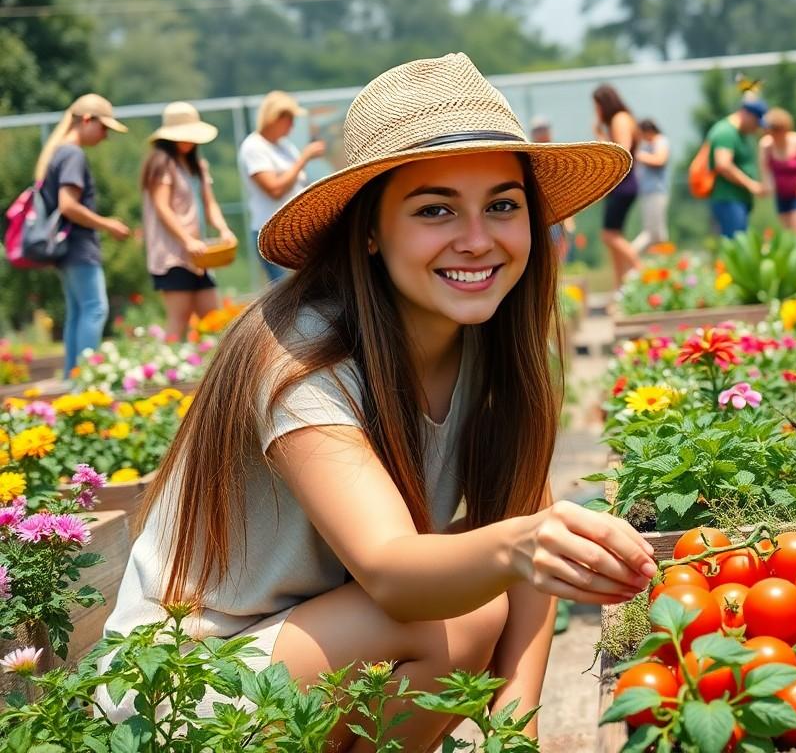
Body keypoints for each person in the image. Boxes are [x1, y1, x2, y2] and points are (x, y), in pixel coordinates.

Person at [98, 54, 655, 748]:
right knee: (460, 614)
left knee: (480, 585)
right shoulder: (302, 356)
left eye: (503, 205)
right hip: (177, 683)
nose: (478, 239)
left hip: (316, 638)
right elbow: (395, 572)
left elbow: (523, 509)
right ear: (369, 230)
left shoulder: (484, 336)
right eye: (435, 209)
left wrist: (518, 732)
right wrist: (525, 543)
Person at [33, 94, 132, 377]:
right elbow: (68, 205)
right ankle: (85, 377)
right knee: (95, 308)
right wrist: (107, 224)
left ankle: (72, 376)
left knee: (78, 310)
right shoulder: (73, 154)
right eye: (104, 128)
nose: (105, 137)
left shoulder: (58, 152)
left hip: (67, 251)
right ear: (87, 120)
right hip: (79, 247)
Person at [140, 102, 235, 340]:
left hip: (200, 256)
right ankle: (168, 374)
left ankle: (214, 374)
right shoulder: (162, 163)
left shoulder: (196, 166)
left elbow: (209, 203)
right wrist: (186, 240)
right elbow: (162, 207)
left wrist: (223, 229)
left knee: (213, 318)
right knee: (179, 320)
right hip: (173, 256)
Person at [238, 90, 326, 283]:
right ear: (275, 117)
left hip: (294, 230)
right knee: (287, 293)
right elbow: (275, 190)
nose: (292, 125)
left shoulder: (284, 146)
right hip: (272, 232)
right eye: (289, 119)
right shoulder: (254, 147)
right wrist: (304, 158)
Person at [592, 84, 641, 286]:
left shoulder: (619, 118)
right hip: (621, 185)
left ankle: (642, 272)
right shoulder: (621, 118)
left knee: (609, 235)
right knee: (615, 237)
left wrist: (601, 137)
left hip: (624, 184)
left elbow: (622, 151)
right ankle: (620, 288)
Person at [706, 97, 768, 239]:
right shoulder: (725, 132)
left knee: (740, 243)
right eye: (756, 122)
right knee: (734, 245)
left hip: (738, 199)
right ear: (745, 114)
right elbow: (723, 165)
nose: (756, 127)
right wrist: (751, 185)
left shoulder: (742, 134)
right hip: (728, 198)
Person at [758, 108, 796, 249]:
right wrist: (767, 184)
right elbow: (765, 168)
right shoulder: (766, 145)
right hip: (782, 192)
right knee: (788, 231)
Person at [530, 116, 577, 262]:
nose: (542, 133)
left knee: (559, 248)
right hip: (540, 210)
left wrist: (569, 217)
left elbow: (565, 188)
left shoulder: (558, 157)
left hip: (557, 210)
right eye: (538, 130)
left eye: (544, 129)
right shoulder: (530, 157)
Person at [631, 119, 670, 252]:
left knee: (655, 232)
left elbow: (660, 159)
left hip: (656, 190)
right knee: (655, 231)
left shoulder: (660, 141)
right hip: (648, 191)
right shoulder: (649, 145)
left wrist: (638, 156)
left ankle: (632, 252)